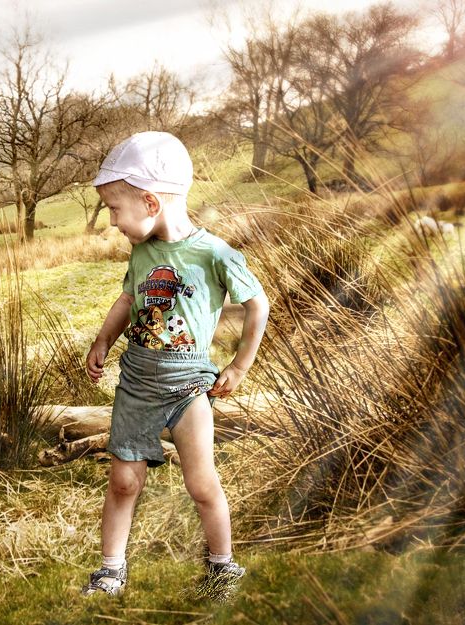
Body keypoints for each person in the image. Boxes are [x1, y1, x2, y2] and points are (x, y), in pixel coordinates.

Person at [81, 131, 269, 597]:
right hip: (137, 386)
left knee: (201, 483)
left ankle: (222, 567)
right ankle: (110, 571)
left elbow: (257, 304)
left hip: (189, 388)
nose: (112, 221)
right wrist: (104, 339)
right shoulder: (143, 251)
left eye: (114, 209)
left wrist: (239, 367)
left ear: (149, 202)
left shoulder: (214, 254)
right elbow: (129, 299)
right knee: (123, 482)